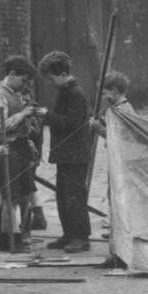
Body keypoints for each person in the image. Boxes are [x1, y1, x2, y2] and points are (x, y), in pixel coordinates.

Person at [0, 54, 46, 251]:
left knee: (22, 195)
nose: (25, 84)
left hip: (21, 148)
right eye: (23, 80)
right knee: (9, 197)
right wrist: (22, 114)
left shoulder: (15, 93)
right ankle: (8, 239)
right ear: (12, 74)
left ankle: (18, 235)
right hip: (8, 149)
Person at [38, 50, 94, 253]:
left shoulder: (75, 94)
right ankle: (69, 234)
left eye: (51, 78)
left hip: (75, 155)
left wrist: (48, 115)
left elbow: (73, 123)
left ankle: (80, 237)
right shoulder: (65, 91)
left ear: (62, 74)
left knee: (74, 196)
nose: (50, 82)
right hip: (67, 154)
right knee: (63, 195)